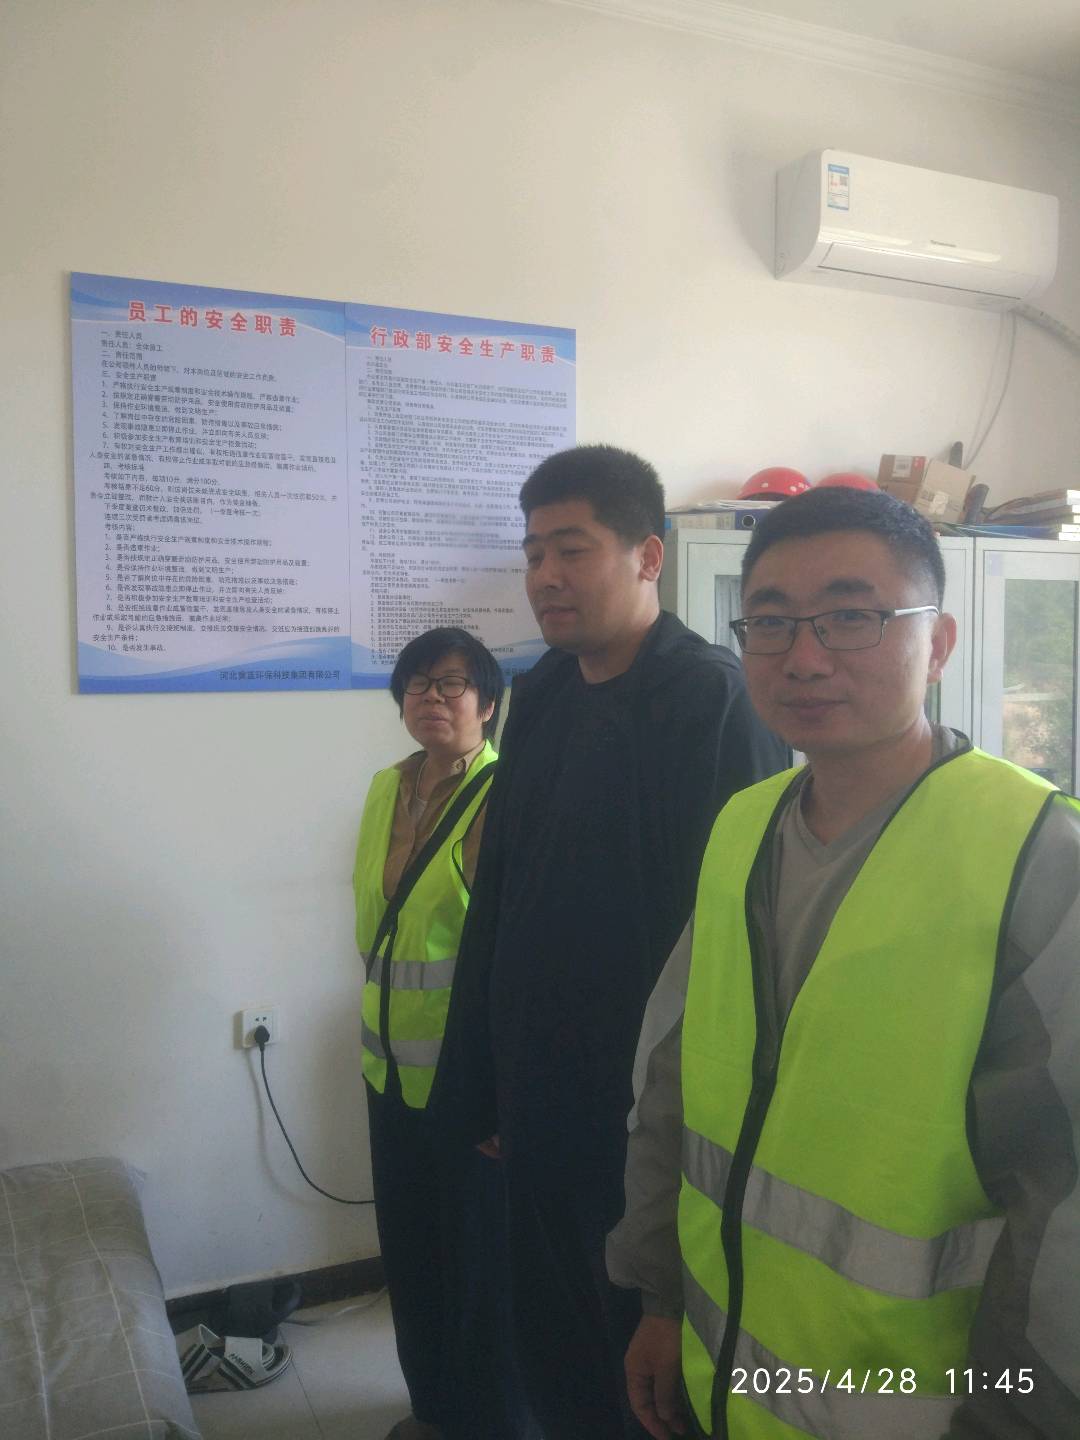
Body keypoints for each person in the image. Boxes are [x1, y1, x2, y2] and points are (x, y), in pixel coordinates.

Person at [608, 487, 1080, 1440]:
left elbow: (1062, 1202)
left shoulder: (1037, 857)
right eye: (771, 621)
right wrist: (661, 1298)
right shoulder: (744, 826)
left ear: (938, 644)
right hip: (723, 1378)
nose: (805, 656)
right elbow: (671, 1082)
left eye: (852, 617)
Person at [433, 445, 789, 1440]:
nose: (545, 575)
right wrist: (484, 1083)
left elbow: (732, 947)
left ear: (648, 556)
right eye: (533, 553)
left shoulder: (711, 703)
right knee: (550, 1338)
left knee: (642, 1364)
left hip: (641, 1116)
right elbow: (503, 900)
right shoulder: (544, 691)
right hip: (538, 1097)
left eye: (571, 549)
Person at [353, 626, 526, 1440]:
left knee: (478, 1271)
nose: (432, 697)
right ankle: (432, 1411)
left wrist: (499, 1091)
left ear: (488, 704)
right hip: (386, 1070)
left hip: (465, 1083)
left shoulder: (503, 798)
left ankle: (488, 1423)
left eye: (453, 683)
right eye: (418, 683)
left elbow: (514, 956)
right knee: (412, 1255)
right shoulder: (385, 790)